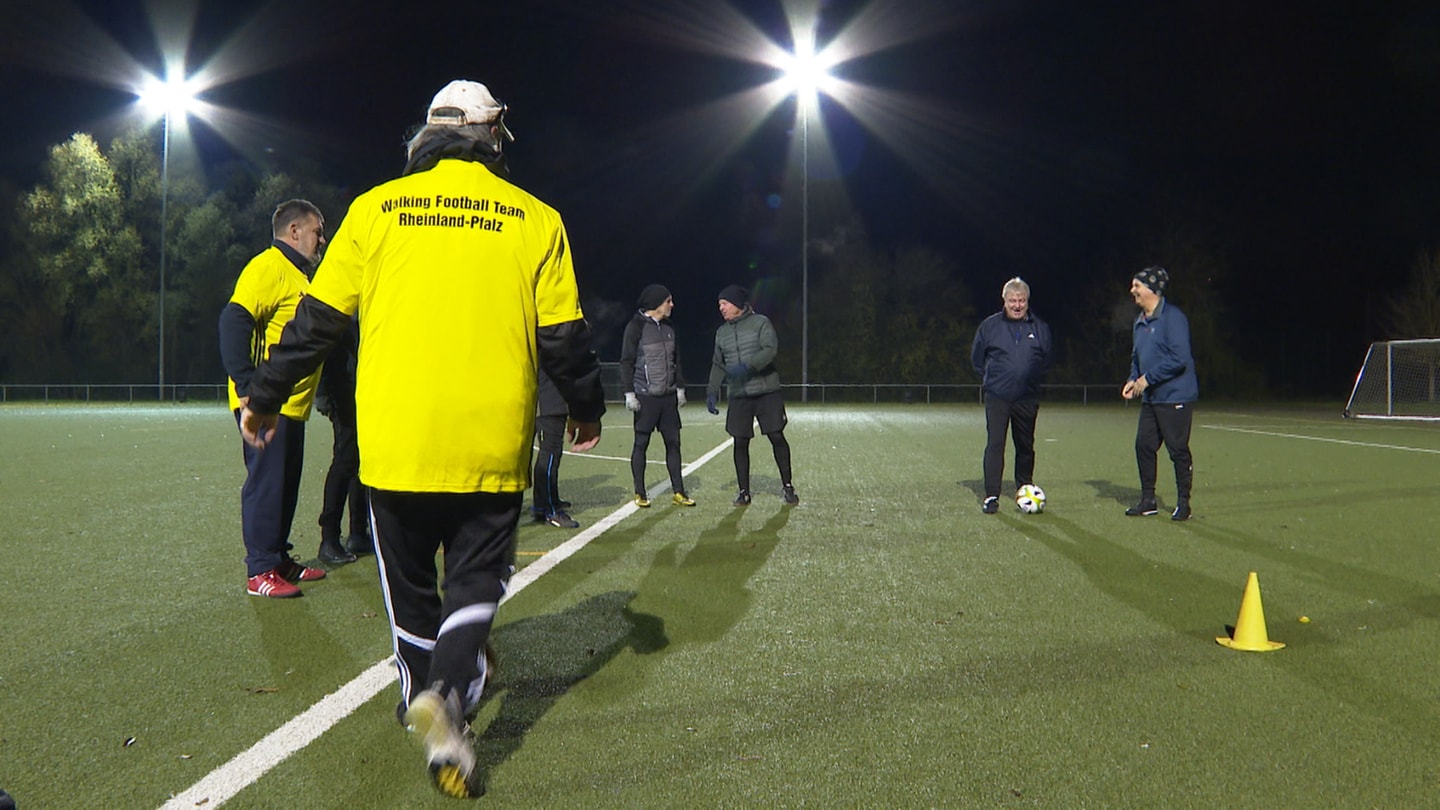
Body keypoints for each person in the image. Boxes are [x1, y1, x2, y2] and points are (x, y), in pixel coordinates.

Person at [237, 79, 605, 799]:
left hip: (396, 439)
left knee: (410, 593)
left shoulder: (375, 210)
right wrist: (586, 409)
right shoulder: (535, 217)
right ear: (493, 134)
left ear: (427, 134)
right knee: (475, 581)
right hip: (489, 439)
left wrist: (265, 394)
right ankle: (449, 696)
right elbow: (564, 336)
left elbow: (315, 321)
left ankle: (424, 694)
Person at [218, 198, 329, 598]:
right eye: (317, 231)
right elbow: (234, 321)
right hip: (267, 405)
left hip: (291, 406)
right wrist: (249, 389)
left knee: (285, 484)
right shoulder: (268, 267)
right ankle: (260, 570)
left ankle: (278, 558)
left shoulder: (300, 276)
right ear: (294, 231)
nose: (322, 239)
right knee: (266, 483)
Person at [705, 284, 799, 506]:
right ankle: (743, 491)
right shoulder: (722, 333)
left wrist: (748, 367)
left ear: (737, 304)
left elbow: (770, 350)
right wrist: (711, 390)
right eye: (720, 305)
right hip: (738, 396)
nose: (721, 308)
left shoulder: (761, 323)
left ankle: (787, 486)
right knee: (740, 442)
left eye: (725, 303)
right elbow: (718, 364)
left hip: (766, 392)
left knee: (776, 436)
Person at [970, 277, 1052, 514]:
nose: (1017, 305)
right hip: (998, 397)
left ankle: (1025, 487)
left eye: (1021, 301)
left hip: (1027, 398)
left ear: (1027, 301)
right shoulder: (990, 326)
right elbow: (977, 358)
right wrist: (991, 381)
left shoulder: (1040, 327)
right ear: (1004, 300)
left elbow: (1046, 360)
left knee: (1025, 445)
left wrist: (1030, 380)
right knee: (995, 444)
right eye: (1012, 300)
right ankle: (991, 495)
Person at [1121, 265, 1197, 521]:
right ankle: (1148, 500)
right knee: (1143, 445)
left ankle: (1183, 503)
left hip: (1175, 396)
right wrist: (1133, 380)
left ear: (1153, 289)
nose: (1133, 291)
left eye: (1137, 286)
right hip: (1152, 398)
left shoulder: (1173, 318)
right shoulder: (1139, 321)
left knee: (1177, 449)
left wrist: (1147, 379)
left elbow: (1180, 358)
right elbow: (1136, 357)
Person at [620, 284, 693, 508]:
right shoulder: (635, 327)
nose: (672, 305)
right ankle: (640, 493)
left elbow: (676, 360)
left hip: (668, 398)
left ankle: (678, 491)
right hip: (645, 398)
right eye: (668, 301)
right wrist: (629, 393)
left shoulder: (670, 327)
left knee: (674, 444)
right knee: (641, 444)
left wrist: (680, 388)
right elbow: (626, 362)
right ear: (655, 303)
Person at [315, 318, 367, 562]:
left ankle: (358, 532)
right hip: (344, 390)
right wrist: (324, 393)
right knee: (346, 461)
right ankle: (330, 538)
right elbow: (325, 349)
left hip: (361, 390)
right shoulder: (342, 306)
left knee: (360, 461)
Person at [531, 369, 578, 528]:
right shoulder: (550, 345)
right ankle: (551, 510)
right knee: (549, 457)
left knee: (551, 456)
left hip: (553, 404)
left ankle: (542, 504)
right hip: (548, 405)